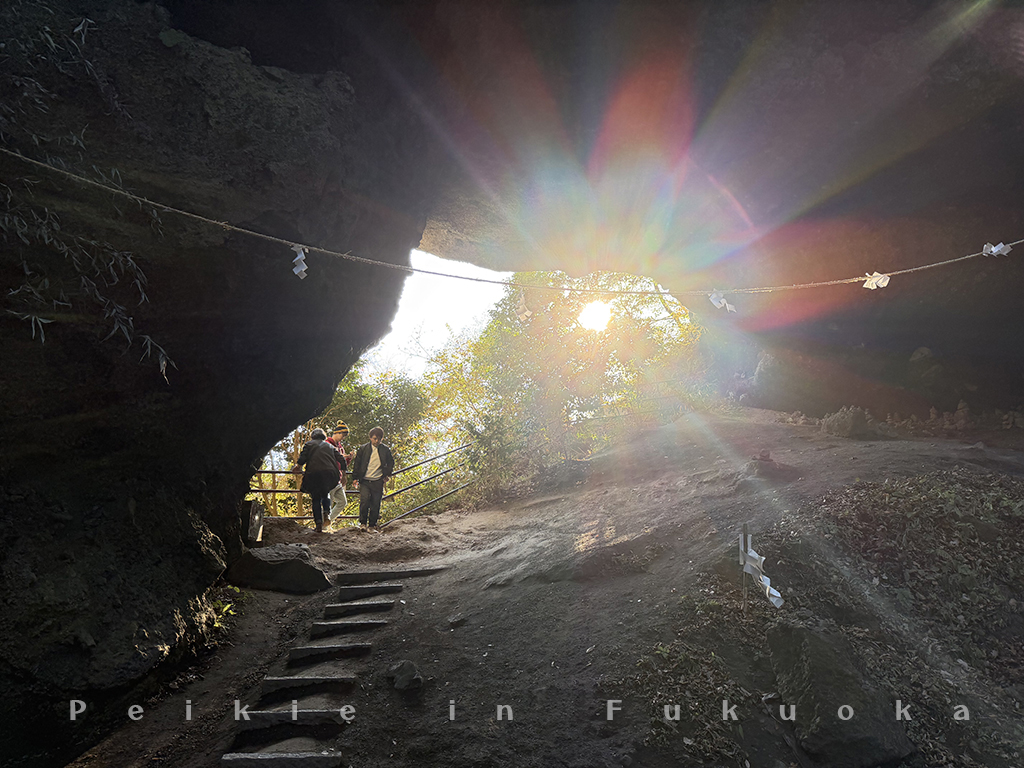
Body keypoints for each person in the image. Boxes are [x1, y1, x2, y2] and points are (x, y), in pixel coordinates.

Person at [291, 428, 344, 534]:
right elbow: (341, 459)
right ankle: (326, 513)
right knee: (325, 494)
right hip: (329, 474)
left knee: (315, 498)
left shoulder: (309, 445)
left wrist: (298, 467)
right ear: (323, 436)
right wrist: (344, 474)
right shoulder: (330, 446)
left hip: (314, 474)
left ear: (313, 436)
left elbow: (302, 458)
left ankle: (318, 524)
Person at [349, 426, 395, 531]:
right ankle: (363, 524)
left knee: (376, 502)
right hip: (364, 480)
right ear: (370, 438)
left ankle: (372, 525)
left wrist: (387, 474)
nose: (377, 441)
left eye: (379, 439)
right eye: (374, 438)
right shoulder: (363, 449)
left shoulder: (385, 450)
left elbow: (391, 463)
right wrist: (355, 478)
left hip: (378, 480)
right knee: (364, 500)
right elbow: (357, 464)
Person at [325, 421, 353, 522]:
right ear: (338, 432)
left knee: (342, 502)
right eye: (343, 435)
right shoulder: (327, 444)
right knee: (328, 502)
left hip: (339, 479)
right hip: (329, 478)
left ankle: (327, 523)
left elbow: (342, 464)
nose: (343, 438)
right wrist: (341, 457)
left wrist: (348, 458)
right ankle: (324, 525)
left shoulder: (340, 447)